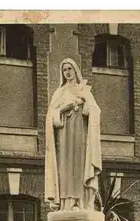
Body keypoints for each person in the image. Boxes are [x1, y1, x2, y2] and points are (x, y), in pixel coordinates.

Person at [45, 58, 102, 211]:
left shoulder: (84, 90)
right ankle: (66, 203)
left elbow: (95, 111)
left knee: (80, 164)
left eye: (70, 69)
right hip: (64, 136)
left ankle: (80, 201)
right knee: (65, 167)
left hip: (81, 134)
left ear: (75, 70)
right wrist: (64, 108)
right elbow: (50, 116)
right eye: (65, 70)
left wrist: (86, 103)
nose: (68, 72)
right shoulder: (59, 92)